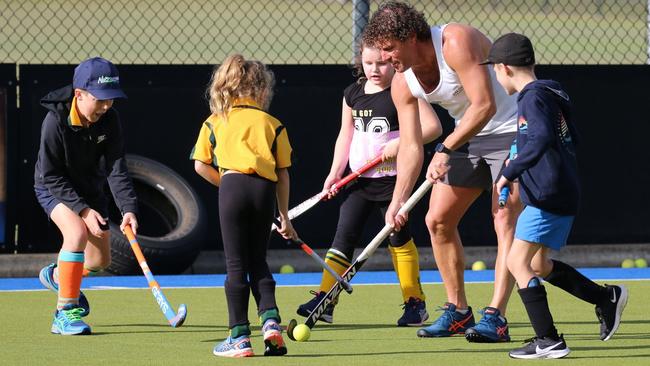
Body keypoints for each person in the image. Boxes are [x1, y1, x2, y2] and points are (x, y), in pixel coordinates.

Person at [363, 1, 522, 342]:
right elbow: (409, 145)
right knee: (437, 221)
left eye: (390, 49)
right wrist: (398, 201)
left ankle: (496, 316)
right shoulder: (403, 82)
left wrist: (445, 149)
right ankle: (458, 312)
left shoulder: (455, 42)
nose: (388, 58)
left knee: (503, 217)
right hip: (465, 136)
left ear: (410, 37)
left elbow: (485, 105)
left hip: (510, 130)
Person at [486, 32, 628, 359]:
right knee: (537, 263)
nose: (494, 74)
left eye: (494, 68)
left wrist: (510, 172)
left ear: (505, 68)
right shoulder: (549, 92)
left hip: (549, 193)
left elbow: (540, 138)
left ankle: (548, 340)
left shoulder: (531, 98)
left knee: (516, 261)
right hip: (559, 190)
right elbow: (563, 138)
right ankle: (605, 298)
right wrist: (517, 158)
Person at [296, 40, 442, 326]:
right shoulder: (352, 94)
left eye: (382, 63)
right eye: (369, 63)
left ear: (393, 61)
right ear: (360, 61)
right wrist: (335, 172)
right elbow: (345, 136)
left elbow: (433, 127)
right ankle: (326, 299)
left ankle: (415, 303)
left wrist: (401, 142)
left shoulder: (404, 89)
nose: (375, 69)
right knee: (343, 238)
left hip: (392, 182)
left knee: (397, 238)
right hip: (359, 182)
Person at [190, 54, 297, 358]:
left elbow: (200, 165)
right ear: (262, 90)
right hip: (264, 190)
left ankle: (238, 337)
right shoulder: (272, 124)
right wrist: (284, 217)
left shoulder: (215, 121)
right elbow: (282, 173)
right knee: (258, 261)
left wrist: (229, 187)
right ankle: (271, 324)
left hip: (232, 186)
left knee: (236, 265)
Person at [35, 57, 139, 335]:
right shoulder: (54, 122)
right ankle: (65, 312)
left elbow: (116, 167)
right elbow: (51, 175)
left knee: (99, 261)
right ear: (79, 94)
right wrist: (82, 211)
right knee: (76, 233)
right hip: (52, 186)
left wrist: (128, 209)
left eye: (111, 100)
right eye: (99, 99)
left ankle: (58, 275)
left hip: (89, 189)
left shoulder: (110, 119)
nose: (105, 106)